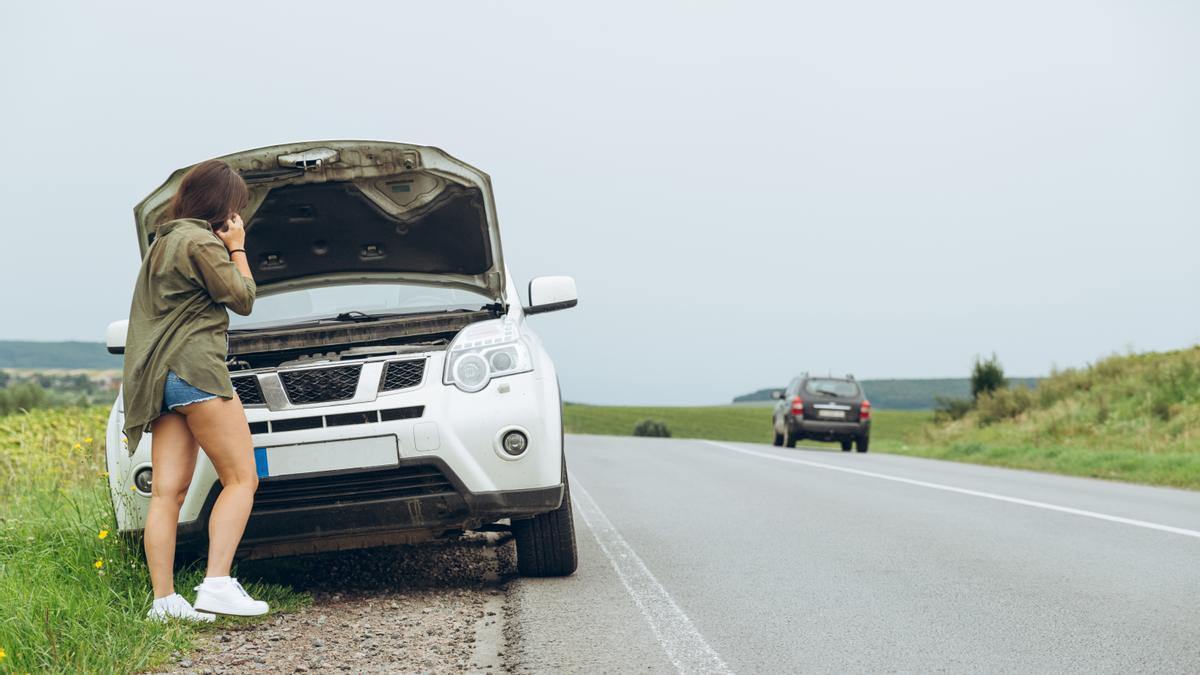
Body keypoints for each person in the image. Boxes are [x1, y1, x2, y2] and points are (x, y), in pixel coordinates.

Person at [120, 159, 269, 621]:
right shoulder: (201, 240)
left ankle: (164, 601)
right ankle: (217, 584)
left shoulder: (161, 242)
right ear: (221, 205)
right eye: (235, 206)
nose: (237, 214)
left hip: (159, 379)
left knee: (167, 493)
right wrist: (237, 247)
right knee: (242, 478)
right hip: (194, 370)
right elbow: (242, 298)